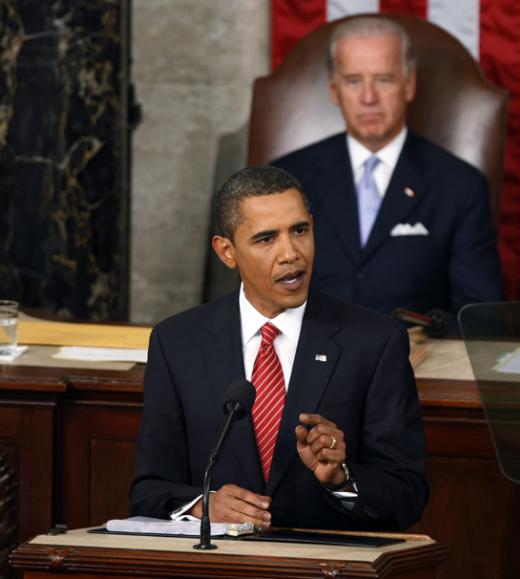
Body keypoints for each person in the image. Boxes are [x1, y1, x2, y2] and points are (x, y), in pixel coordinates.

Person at [130, 166, 428, 531]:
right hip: (220, 566)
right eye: (266, 239)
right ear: (227, 251)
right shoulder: (177, 343)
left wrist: (342, 479)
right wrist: (201, 507)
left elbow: (408, 495)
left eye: (300, 231)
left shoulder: (375, 342)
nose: (291, 253)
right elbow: (148, 490)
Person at [272, 15, 503, 321]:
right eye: (354, 81)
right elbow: (258, 297)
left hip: (413, 361)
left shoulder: (459, 184)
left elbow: (478, 313)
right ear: (334, 90)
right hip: (305, 359)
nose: (369, 98)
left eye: (384, 80)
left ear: (408, 86)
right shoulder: (284, 179)